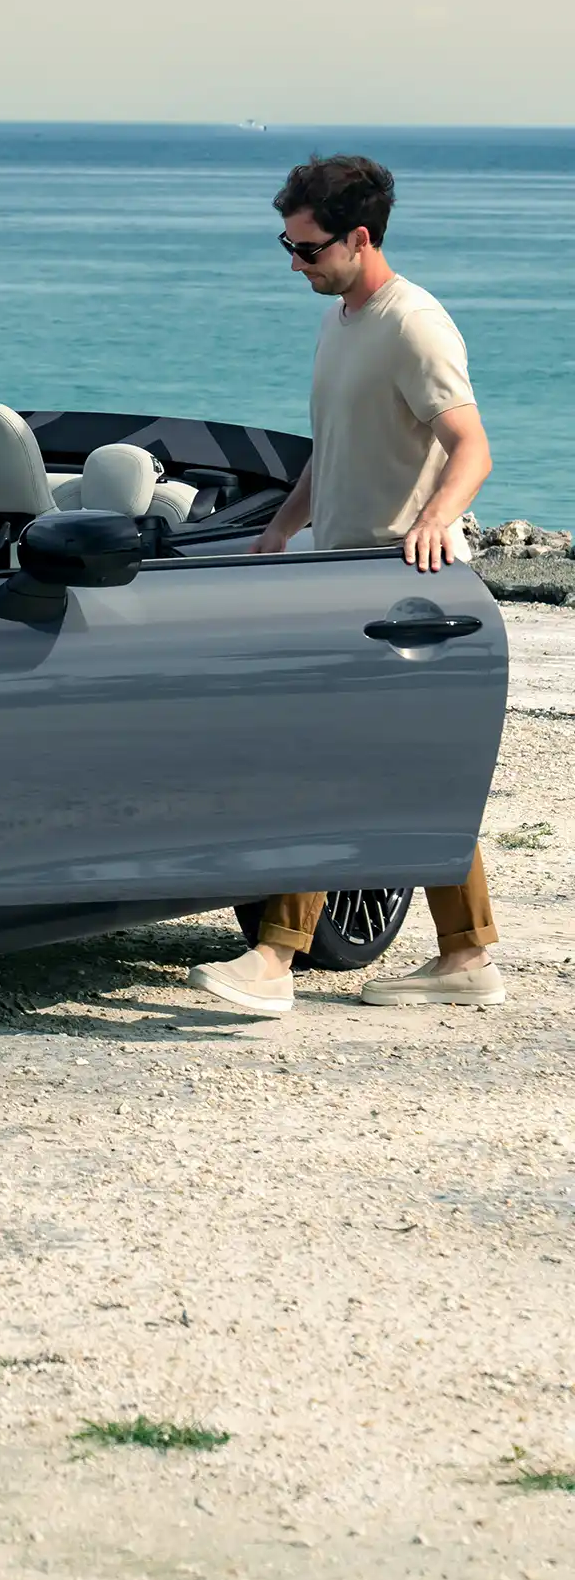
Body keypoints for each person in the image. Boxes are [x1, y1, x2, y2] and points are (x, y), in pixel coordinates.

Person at [189, 153, 505, 1020]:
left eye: (308, 249)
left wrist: (438, 520)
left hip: (405, 588)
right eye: (285, 246)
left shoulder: (415, 326)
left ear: (360, 239)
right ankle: (468, 954)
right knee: (416, 771)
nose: (295, 264)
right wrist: (284, 526)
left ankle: (273, 957)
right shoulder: (341, 318)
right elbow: (338, 444)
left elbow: (471, 444)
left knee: (323, 755)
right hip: (345, 573)